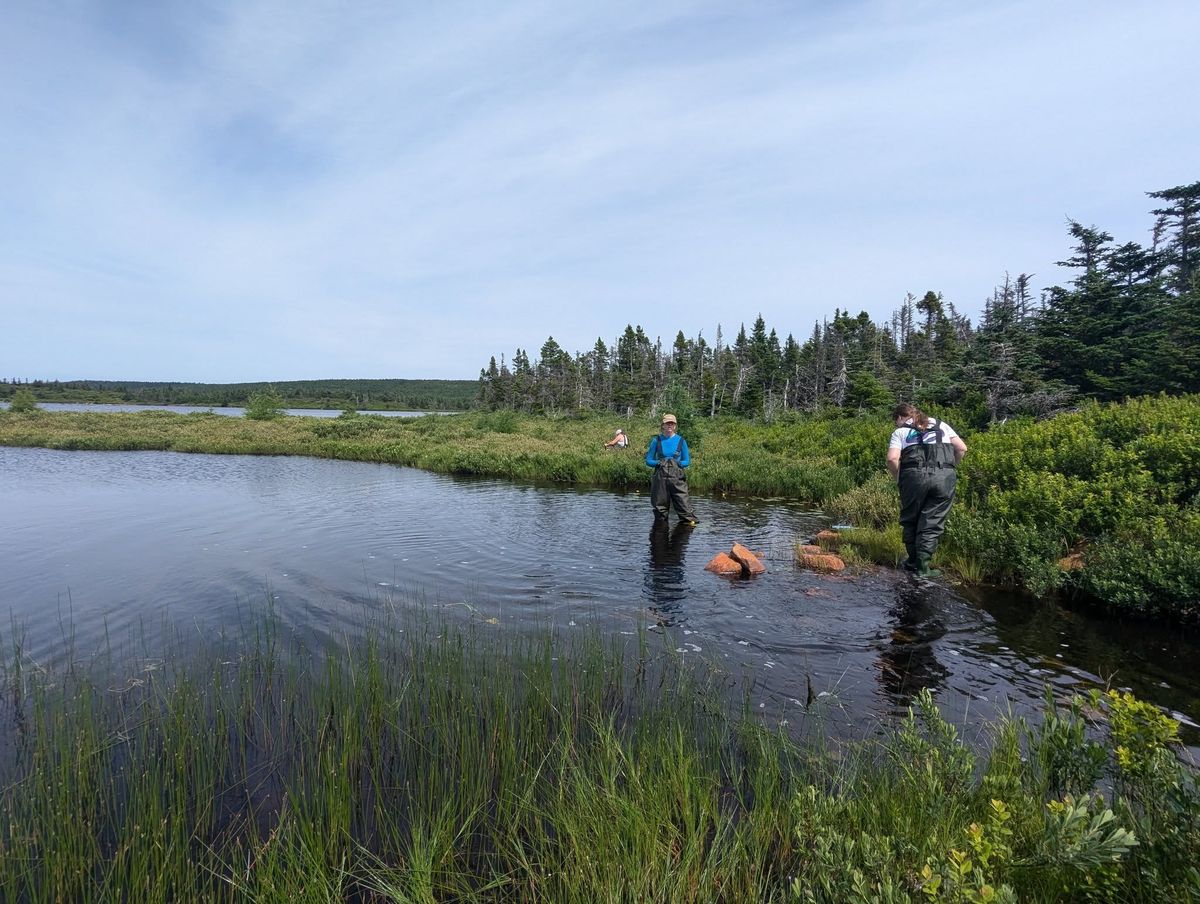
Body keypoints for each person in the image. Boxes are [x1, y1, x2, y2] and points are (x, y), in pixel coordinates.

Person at [885, 403, 968, 577]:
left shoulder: (900, 432)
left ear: (900, 418)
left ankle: (913, 561)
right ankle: (923, 568)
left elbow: (892, 459)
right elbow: (961, 448)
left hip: (913, 478)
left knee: (911, 518)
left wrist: (898, 478)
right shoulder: (941, 425)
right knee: (932, 521)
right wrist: (950, 469)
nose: (897, 424)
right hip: (944, 477)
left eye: (896, 421)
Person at [645, 413, 698, 525]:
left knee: (685, 509)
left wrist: (676, 464)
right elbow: (648, 460)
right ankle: (659, 538)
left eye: (672, 423)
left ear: (675, 426)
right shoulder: (656, 441)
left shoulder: (681, 441)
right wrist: (659, 463)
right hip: (660, 479)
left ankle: (684, 538)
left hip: (677, 478)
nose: (670, 425)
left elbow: (687, 461)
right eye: (667, 423)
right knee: (660, 511)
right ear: (663, 425)